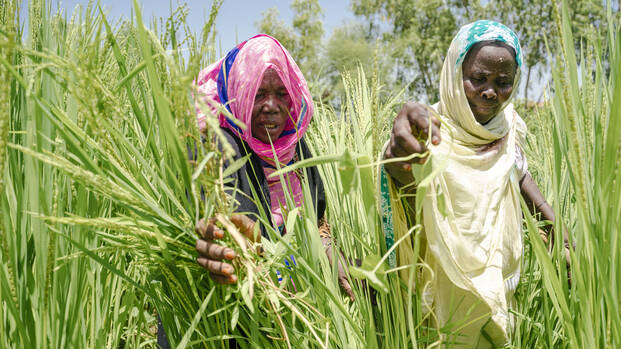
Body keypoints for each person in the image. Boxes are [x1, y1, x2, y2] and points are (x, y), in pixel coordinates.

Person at [380, 21, 570, 347]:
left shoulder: (508, 127)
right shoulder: (430, 129)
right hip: (445, 284)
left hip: (501, 276)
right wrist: (396, 158)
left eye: (504, 81)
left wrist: (550, 220)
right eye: (478, 78)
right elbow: (400, 172)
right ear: (455, 74)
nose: (491, 91)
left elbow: (518, 172)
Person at [192, 34, 353, 293]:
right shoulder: (217, 148)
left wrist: (328, 249)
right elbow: (215, 231)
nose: (271, 106)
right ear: (238, 94)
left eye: (281, 93)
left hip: (297, 308)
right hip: (236, 310)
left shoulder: (296, 148)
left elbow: (317, 221)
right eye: (258, 93)